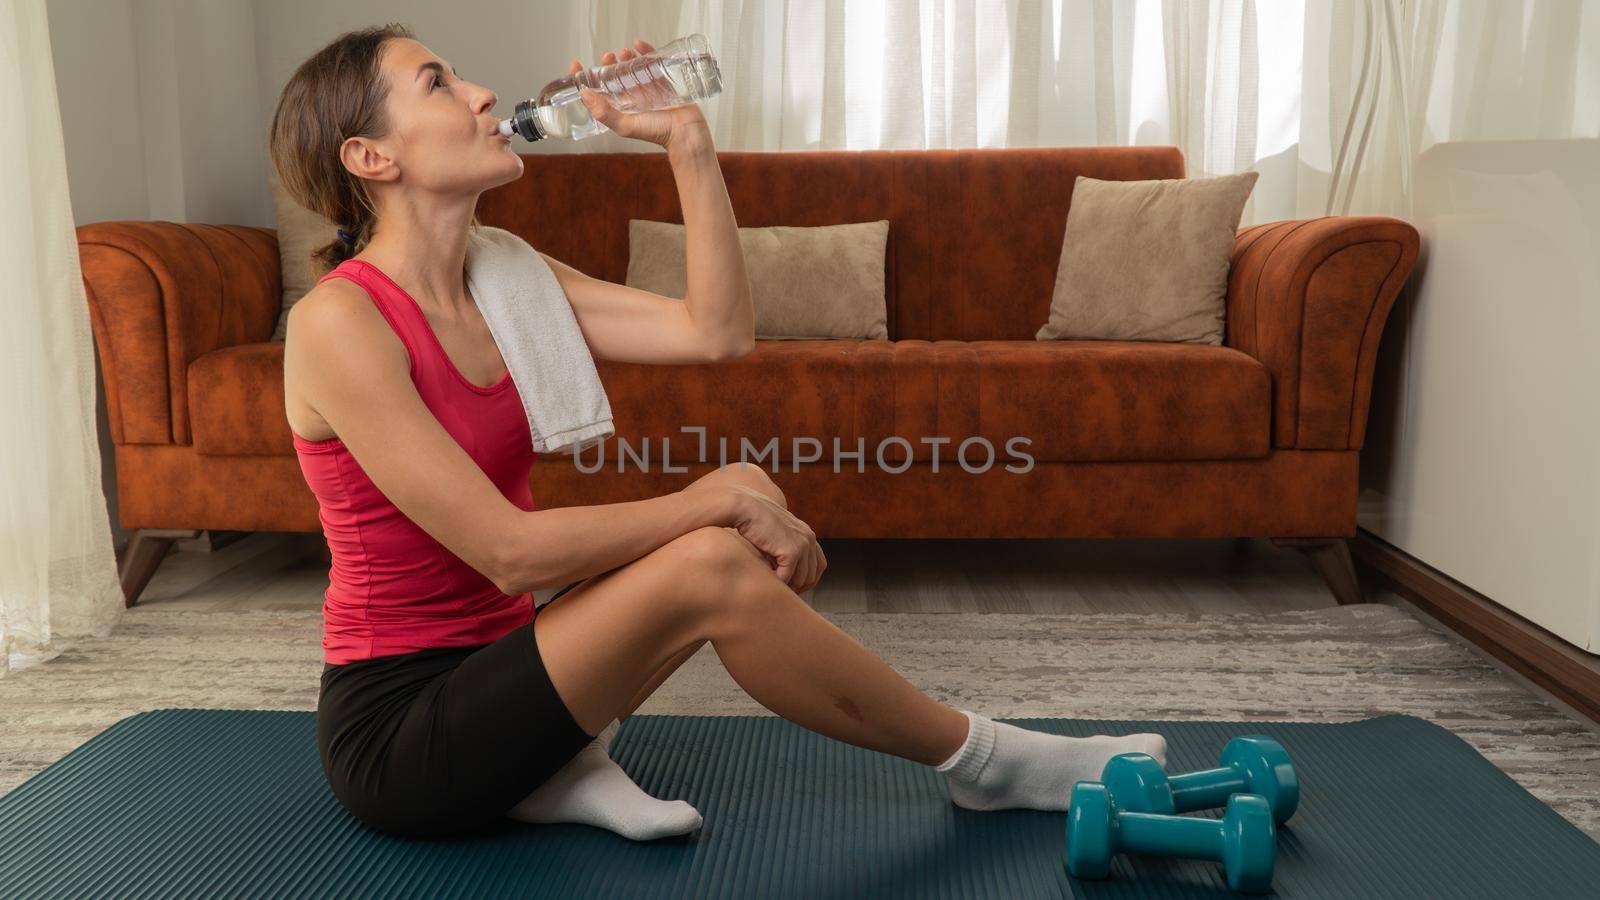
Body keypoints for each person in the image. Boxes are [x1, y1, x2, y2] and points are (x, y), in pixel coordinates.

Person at [270, 23, 1167, 840]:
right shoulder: (340, 325)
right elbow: (510, 552)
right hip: (402, 729)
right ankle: (991, 764)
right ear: (370, 155)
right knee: (711, 551)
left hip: (507, 661)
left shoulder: (502, 275)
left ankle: (549, 766)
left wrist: (689, 146)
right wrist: (709, 507)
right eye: (437, 83)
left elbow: (716, 332)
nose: (478, 95)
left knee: (745, 488)